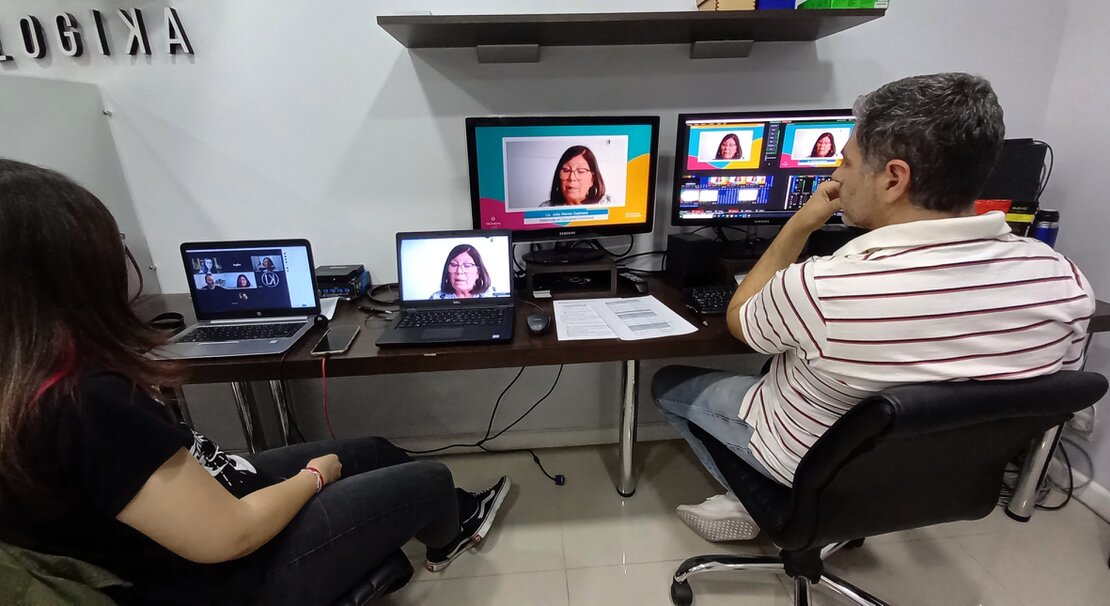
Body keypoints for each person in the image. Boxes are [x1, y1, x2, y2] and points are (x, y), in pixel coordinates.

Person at [0, 159, 513, 605]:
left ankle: (456, 512)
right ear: (74, 273)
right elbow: (228, 536)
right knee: (428, 479)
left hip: (216, 505)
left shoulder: (28, 376)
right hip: (234, 577)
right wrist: (313, 479)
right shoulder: (85, 402)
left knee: (375, 451)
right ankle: (449, 535)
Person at [652, 73, 1095, 543]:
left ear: (893, 178)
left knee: (668, 383)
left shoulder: (824, 286)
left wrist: (798, 225)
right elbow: (1046, 393)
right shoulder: (1063, 281)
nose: (836, 176)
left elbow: (740, 318)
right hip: (942, 475)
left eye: (846, 161)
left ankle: (756, 501)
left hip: (810, 460)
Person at [540, 145, 610, 206]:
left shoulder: (607, 204)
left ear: (592, 179)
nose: (572, 178)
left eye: (580, 171)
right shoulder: (545, 208)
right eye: (566, 170)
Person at [429, 244, 499, 299]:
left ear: (478, 272)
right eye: (454, 265)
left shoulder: (492, 296)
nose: (459, 271)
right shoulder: (436, 298)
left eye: (467, 265)